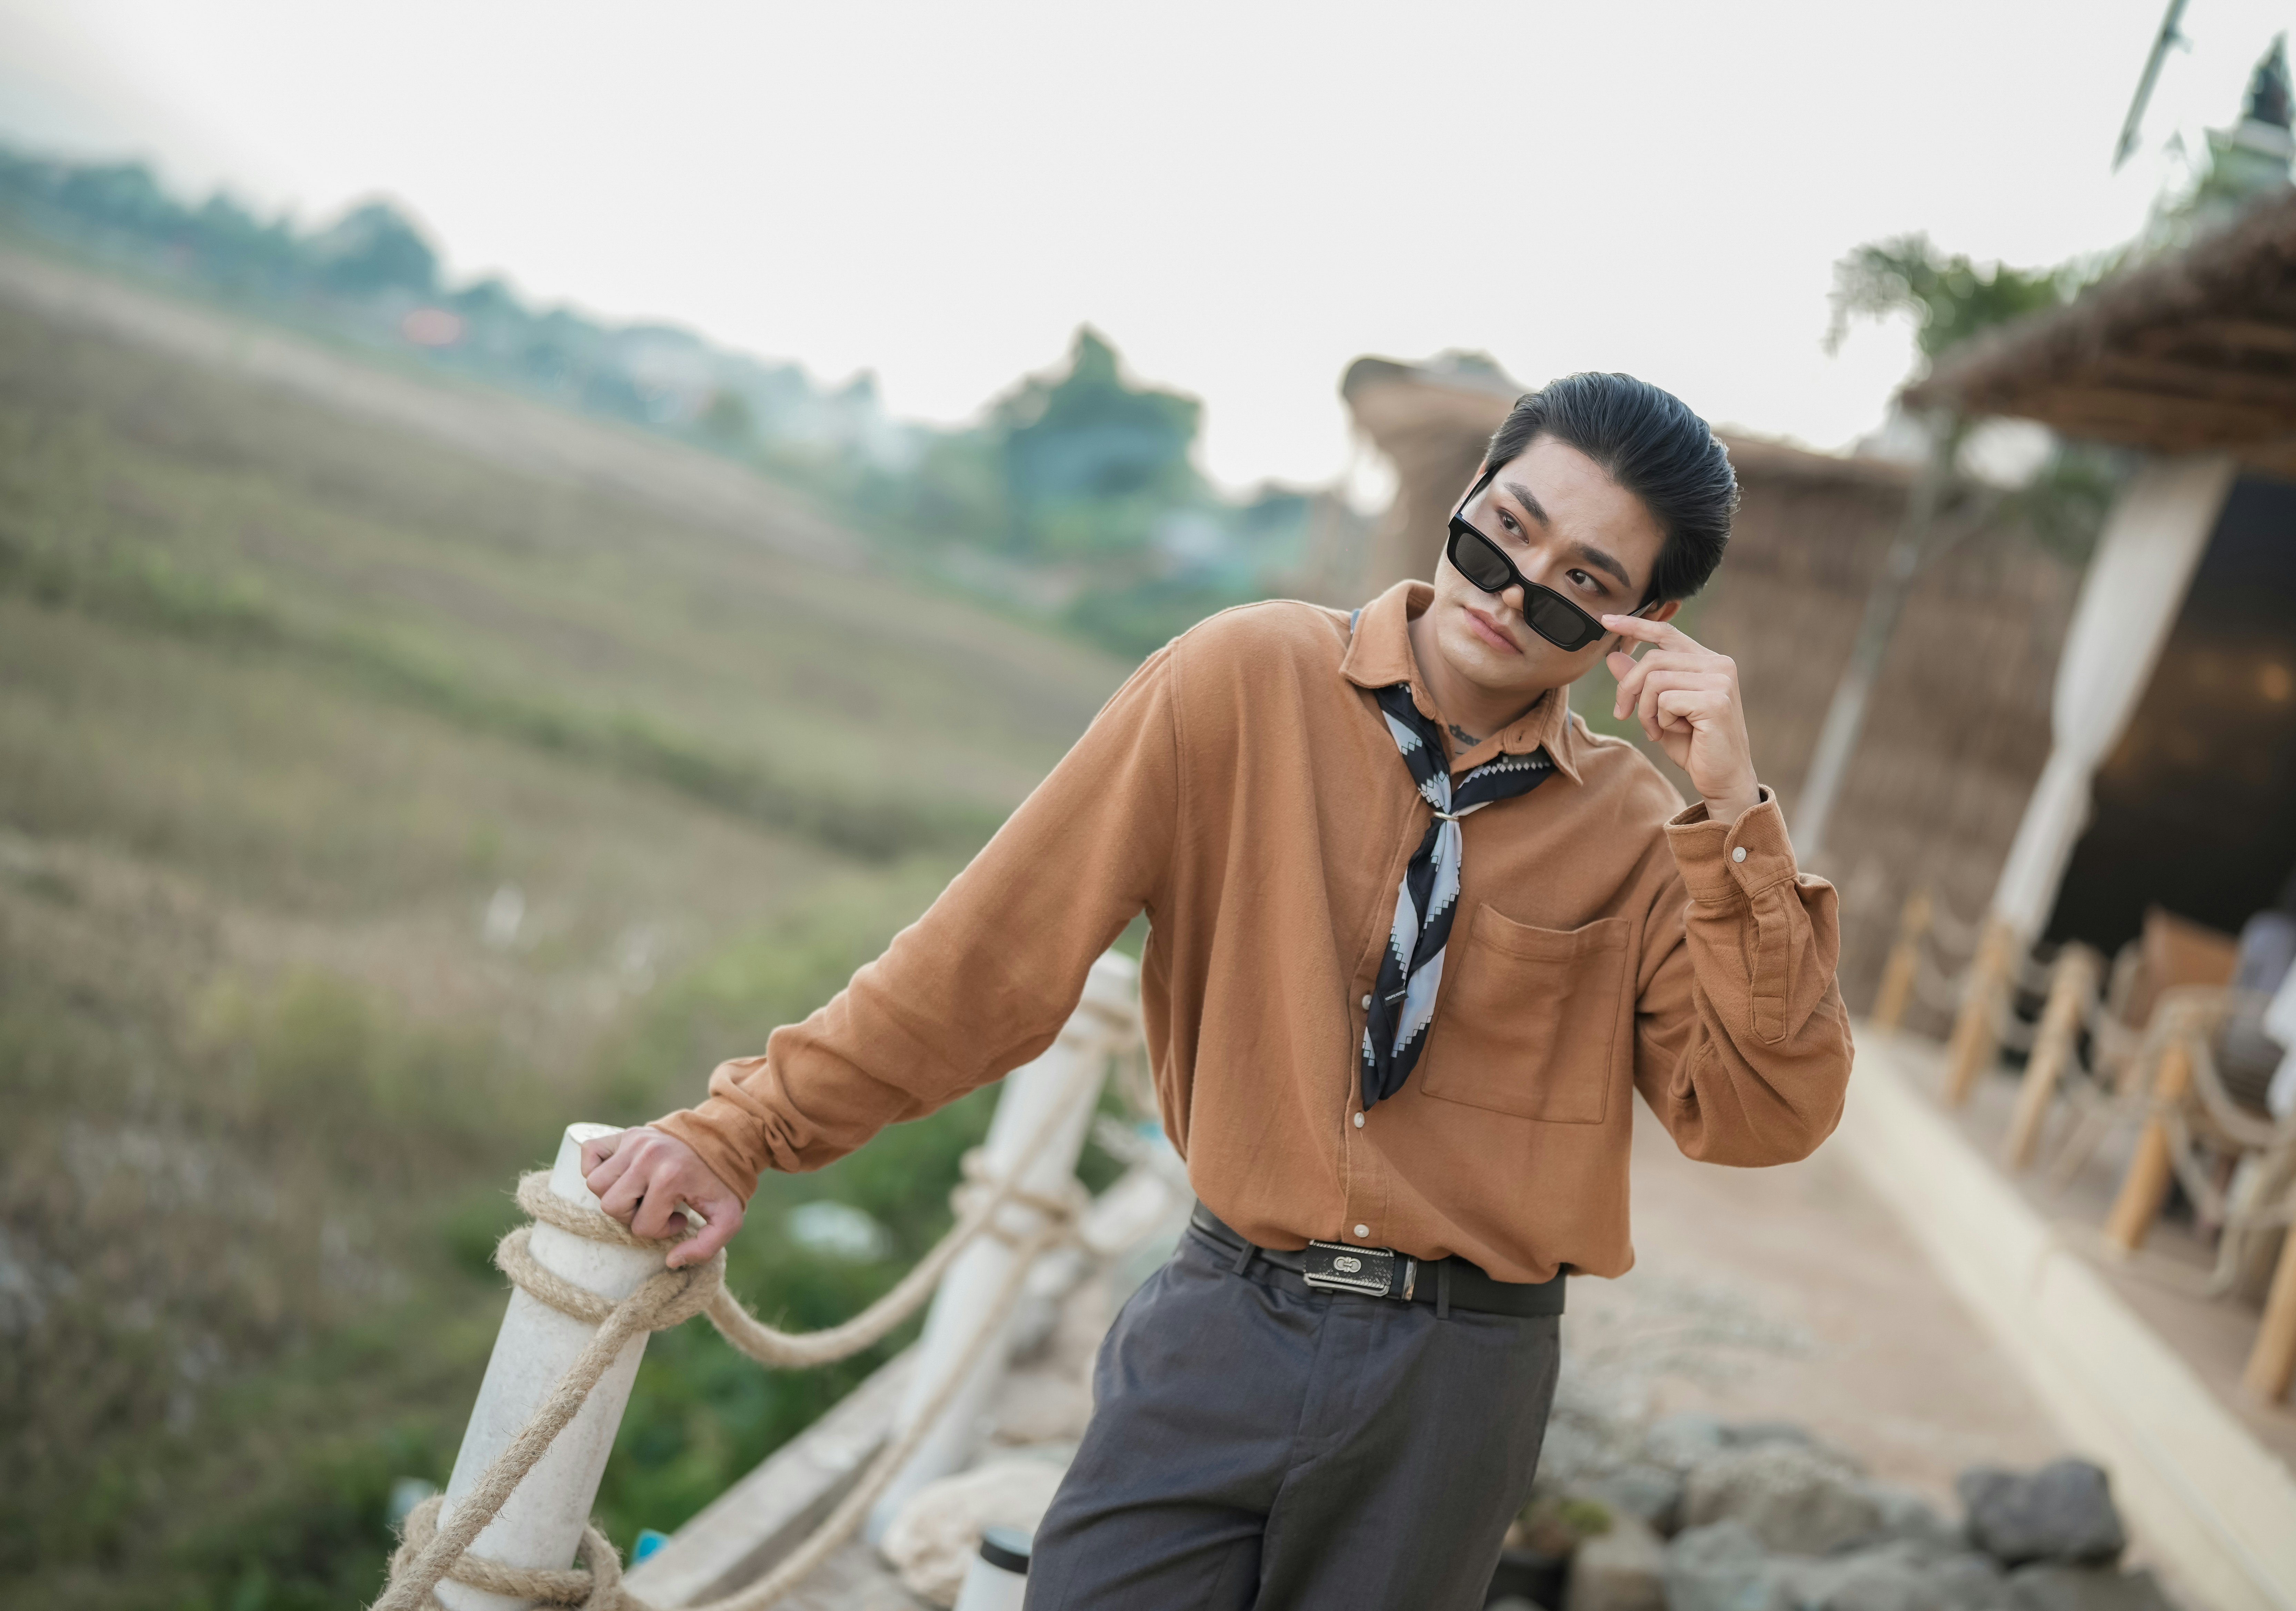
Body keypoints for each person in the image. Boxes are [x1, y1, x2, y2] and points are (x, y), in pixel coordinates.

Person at [579, 372, 1854, 1609]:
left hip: (1461, 1383)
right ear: (1468, 495)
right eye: (1502, 536)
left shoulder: (1638, 832)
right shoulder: (1239, 681)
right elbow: (991, 951)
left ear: (1651, 624)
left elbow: (1760, 1115)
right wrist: (744, 1131)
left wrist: (1734, 812)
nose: (1513, 599)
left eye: (1582, 590)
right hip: (1226, 1325)